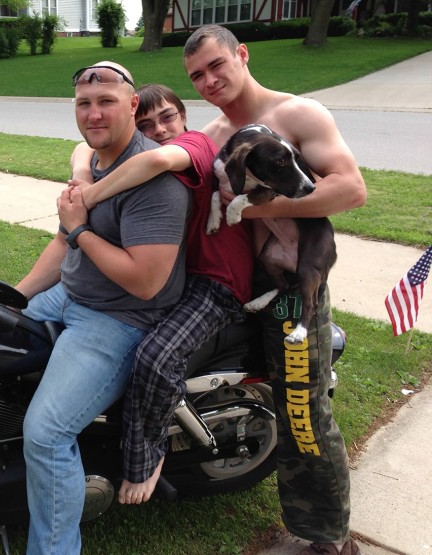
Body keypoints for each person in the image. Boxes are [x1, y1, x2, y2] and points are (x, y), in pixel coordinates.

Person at [182, 24, 367, 555]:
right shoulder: (217, 133)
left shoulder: (297, 115)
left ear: (242, 55)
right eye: (198, 75)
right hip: (238, 288)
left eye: (218, 65)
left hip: (291, 291)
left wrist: (258, 207)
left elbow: (350, 188)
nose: (210, 80)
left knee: (303, 412)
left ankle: (328, 539)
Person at [15, 62, 191, 555]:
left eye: (106, 102)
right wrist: (17, 296)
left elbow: (146, 281)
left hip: (119, 318)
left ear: (132, 105)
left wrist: (79, 230)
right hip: (70, 295)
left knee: (47, 433)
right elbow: (62, 242)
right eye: (84, 104)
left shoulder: (156, 179)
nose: (93, 114)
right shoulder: (91, 163)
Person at [67, 83, 255, 505]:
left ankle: (144, 461)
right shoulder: (145, 164)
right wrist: (81, 175)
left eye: (167, 116)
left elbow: (157, 156)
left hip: (218, 282)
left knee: (155, 355)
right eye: (147, 124)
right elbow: (82, 151)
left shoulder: (196, 145)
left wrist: (90, 195)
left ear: (184, 116)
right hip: (183, 276)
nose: (160, 129)